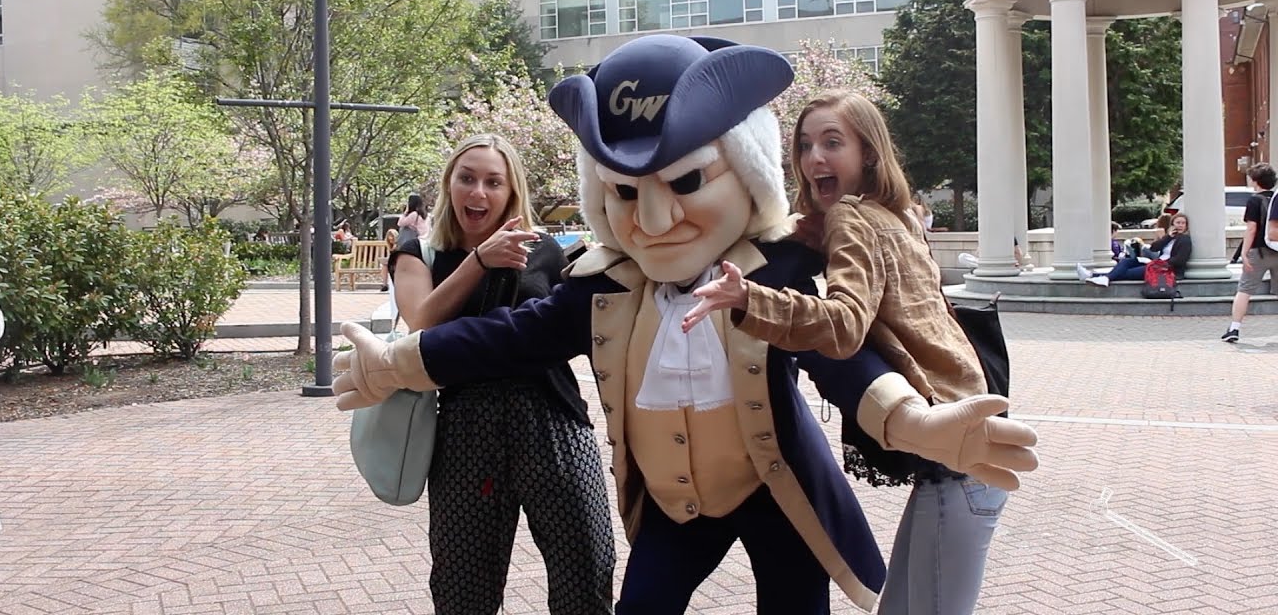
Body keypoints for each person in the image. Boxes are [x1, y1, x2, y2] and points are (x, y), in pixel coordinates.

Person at [331, 35, 1039, 615]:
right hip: (675, 502)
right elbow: (509, 337)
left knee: (795, 605)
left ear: (747, 173)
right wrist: (396, 362)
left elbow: (839, 355)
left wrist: (915, 423)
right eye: (626, 191)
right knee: (643, 605)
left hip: (775, 486)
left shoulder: (771, 268)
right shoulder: (605, 285)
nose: (655, 218)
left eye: (688, 181)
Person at [682, 89, 1013, 615]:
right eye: (804, 145)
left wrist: (749, 299)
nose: (814, 158)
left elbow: (844, 326)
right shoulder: (901, 215)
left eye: (833, 143)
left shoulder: (852, 217)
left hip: (960, 457)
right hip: (963, 449)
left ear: (869, 153)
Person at [386, 134, 614, 615]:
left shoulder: (545, 250)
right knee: (464, 589)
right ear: (449, 183)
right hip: (466, 432)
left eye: (493, 182)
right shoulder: (419, 252)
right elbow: (420, 327)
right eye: (467, 178)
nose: (478, 192)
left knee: (587, 569)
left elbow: (580, 326)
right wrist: (479, 261)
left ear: (512, 191)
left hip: (552, 419)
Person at [1223, 163, 1278, 342]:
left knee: (1245, 290)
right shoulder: (1276, 198)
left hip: (1259, 251)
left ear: (1255, 181)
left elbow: (1251, 229)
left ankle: (1234, 328)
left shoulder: (1255, 200)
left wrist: (1244, 253)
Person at [1076, 213, 1192, 286]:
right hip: (1156, 264)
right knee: (1127, 262)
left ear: (1186, 226)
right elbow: (1154, 248)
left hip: (1165, 269)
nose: (1180, 225)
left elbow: (1180, 260)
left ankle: (1092, 276)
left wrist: (1159, 263)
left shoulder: (1185, 240)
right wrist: (1168, 237)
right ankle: (1101, 278)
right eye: (1178, 222)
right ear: (1172, 224)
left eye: (1183, 223)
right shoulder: (1170, 238)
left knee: (1127, 273)